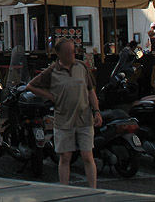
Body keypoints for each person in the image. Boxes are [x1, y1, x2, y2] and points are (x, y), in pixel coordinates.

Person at [26, 38, 102, 188]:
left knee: (87, 155)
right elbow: (31, 85)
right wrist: (50, 96)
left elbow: (90, 90)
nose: (72, 54)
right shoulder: (53, 71)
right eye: (68, 52)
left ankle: (93, 189)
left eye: (73, 51)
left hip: (84, 117)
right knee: (65, 156)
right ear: (59, 54)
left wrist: (97, 111)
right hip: (64, 119)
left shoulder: (81, 66)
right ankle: (64, 189)